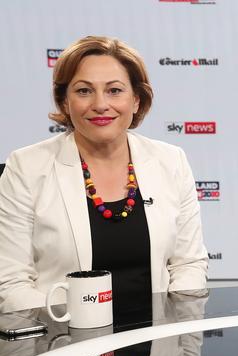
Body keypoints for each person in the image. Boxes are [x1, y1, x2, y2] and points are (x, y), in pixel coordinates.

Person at [0, 36, 209, 313]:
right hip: (63, 344)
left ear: (136, 100)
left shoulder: (171, 161)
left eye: (114, 90)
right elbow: (11, 282)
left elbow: (188, 265)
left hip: (156, 345)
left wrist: (184, 339)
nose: (100, 104)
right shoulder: (26, 167)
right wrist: (62, 337)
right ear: (64, 102)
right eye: (84, 91)